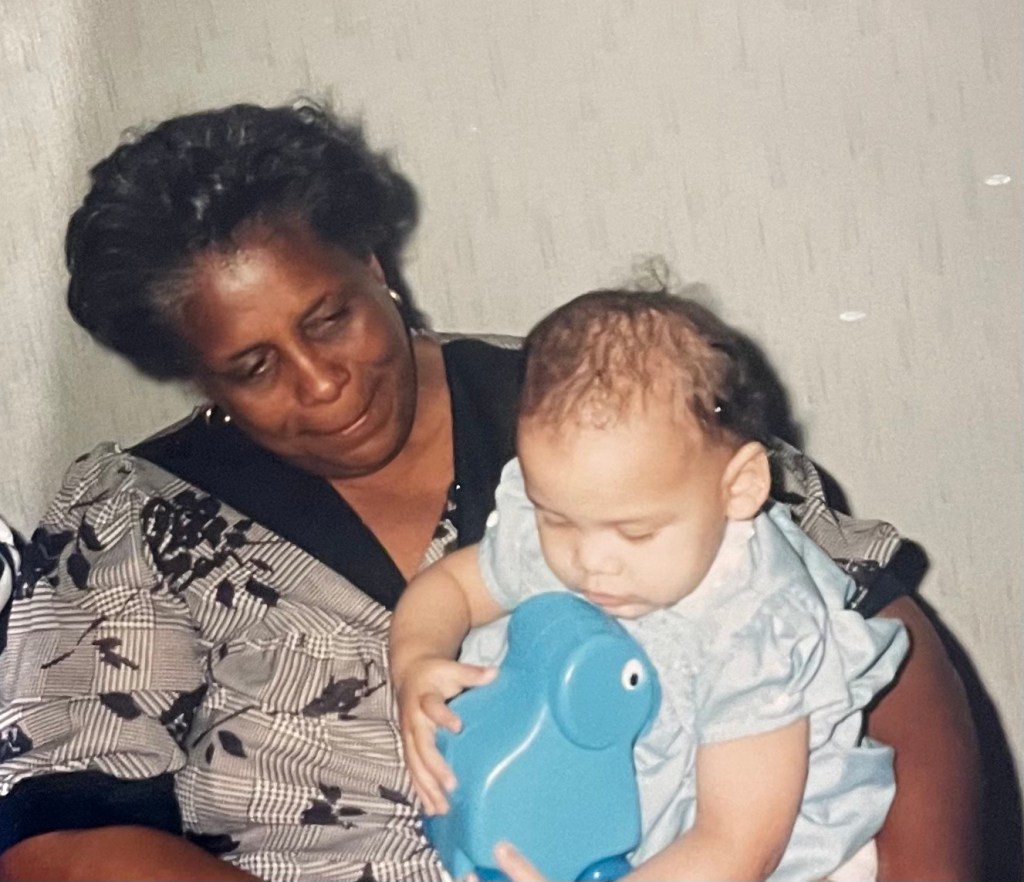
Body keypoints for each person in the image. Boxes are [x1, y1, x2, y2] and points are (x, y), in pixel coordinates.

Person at [0, 101, 980, 882]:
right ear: (196, 373)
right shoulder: (135, 516)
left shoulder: (592, 404)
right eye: (252, 365)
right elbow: (60, 838)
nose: (319, 382)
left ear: (373, 265)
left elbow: (872, 632)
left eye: (330, 317)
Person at [390, 289, 909, 881]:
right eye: (556, 519)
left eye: (635, 533)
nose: (589, 562)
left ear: (737, 488)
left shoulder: (754, 625)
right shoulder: (585, 515)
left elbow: (736, 844)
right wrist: (416, 661)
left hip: (747, 845)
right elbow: (452, 588)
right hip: (617, 803)